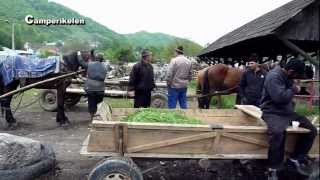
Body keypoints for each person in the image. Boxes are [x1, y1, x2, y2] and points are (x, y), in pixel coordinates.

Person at [260, 58, 317, 179]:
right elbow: (279, 98)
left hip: (287, 112)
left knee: (311, 130)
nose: (296, 78)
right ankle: (273, 168)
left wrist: (302, 90)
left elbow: (289, 92)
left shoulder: (288, 77)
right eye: (297, 75)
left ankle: (295, 159)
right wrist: (293, 89)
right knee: (277, 133)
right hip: (272, 112)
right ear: (291, 71)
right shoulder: (273, 77)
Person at [78, 51, 107, 119]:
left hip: (90, 88)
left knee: (91, 103)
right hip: (100, 89)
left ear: (95, 58)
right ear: (102, 59)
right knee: (99, 104)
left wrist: (79, 54)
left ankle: (92, 117)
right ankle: (98, 117)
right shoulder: (105, 67)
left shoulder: (90, 64)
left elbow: (81, 62)